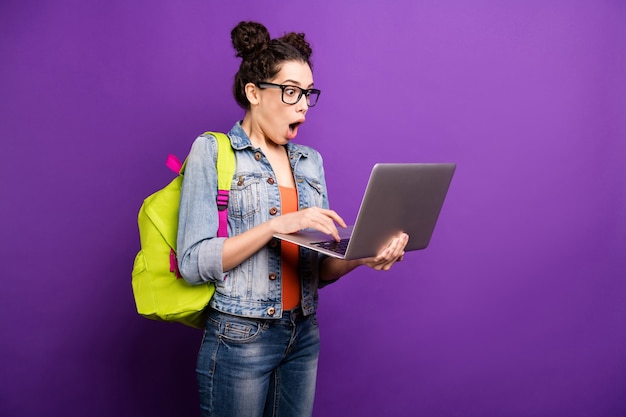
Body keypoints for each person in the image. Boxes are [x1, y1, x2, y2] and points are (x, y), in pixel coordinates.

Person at [176, 21, 409, 417]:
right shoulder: (211, 152)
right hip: (240, 335)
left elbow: (319, 270)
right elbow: (192, 263)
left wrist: (365, 255)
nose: (302, 104)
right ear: (254, 93)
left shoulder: (310, 163)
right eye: (290, 91)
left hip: (303, 334)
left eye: (307, 93)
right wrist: (274, 226)